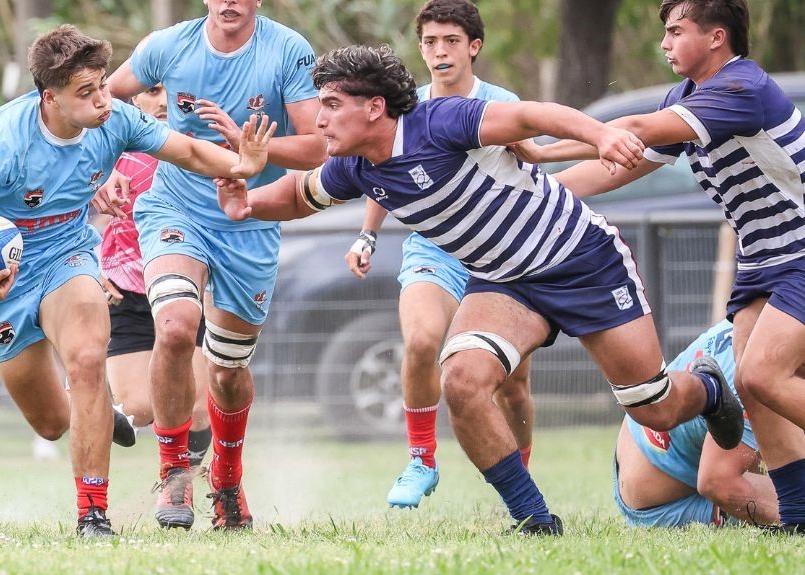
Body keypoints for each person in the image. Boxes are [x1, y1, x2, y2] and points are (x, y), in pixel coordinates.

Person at [214, 43, 744, 536]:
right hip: (505, 281)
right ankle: (534, 520)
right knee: (463, 381)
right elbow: (303, 195)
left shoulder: (440, 121)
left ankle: (709, 388)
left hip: (583, 261)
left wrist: (600, 136)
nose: (319, 117)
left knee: (654, 406)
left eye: (331, 103)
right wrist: (248, 204)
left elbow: (533, 115)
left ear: (375, 107)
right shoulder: (356, 166)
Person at [0, 24, 273, 537]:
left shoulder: (116, 118)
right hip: (3, 277)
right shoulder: (2, 140)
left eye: (103, 84)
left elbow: (187, 151)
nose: (104, 99)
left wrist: (241, 162)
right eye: (87, 92)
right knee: (52, 423)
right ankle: (102, 414)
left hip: (68, 253)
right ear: (49, 97)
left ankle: (92, 516)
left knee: (85, 361)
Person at [522, 0, 805, 534]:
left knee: (764, 375)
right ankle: (797, 516)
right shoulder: (689, 100)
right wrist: (536, 189)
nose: (665, 43)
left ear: (717, 36)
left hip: (800, 249)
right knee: (749, 386)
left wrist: (539, 141)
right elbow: (616, 157)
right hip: (761, 261)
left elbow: (629, 128)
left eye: (676, 31)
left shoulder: (740, 89)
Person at [102, 0, 324, 531]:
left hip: (248, 220)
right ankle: (174, 478)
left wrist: (255, 147)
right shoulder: (166, 46)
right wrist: (98, 172)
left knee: (226, 372)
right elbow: (96, 104)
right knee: (175, 327)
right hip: (174, 207)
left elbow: (317, 146)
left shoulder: (288, 51)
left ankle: (226, 479)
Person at [343, 0, 535, 509]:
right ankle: (421, 459)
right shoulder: (409, 105)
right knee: (422, 339)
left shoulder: (502, 102)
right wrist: (367, 234)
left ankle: (524, 480)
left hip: (500, 253)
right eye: (430, 42)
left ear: (474, 47)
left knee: (513, 384)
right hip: (436, 247)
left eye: (451, 41)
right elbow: (380, 171)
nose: (439, 52)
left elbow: (533, 171)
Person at [96, 83, 213, 467]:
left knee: (198, 409)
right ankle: (83, 387)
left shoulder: (202, 148)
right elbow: (69, 212)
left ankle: (178, 481)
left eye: (172, 90)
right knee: (139, 410)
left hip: (187, 287)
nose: (163, 100)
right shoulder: (110, 150)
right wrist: (93, 266)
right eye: (152, 89)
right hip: (126, 292)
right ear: (133, 98)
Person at [615, 320, 777, 527]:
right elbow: (719, 483)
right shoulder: (753, 381)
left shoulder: (765, 318)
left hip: (636, 443)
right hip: (663, 505)